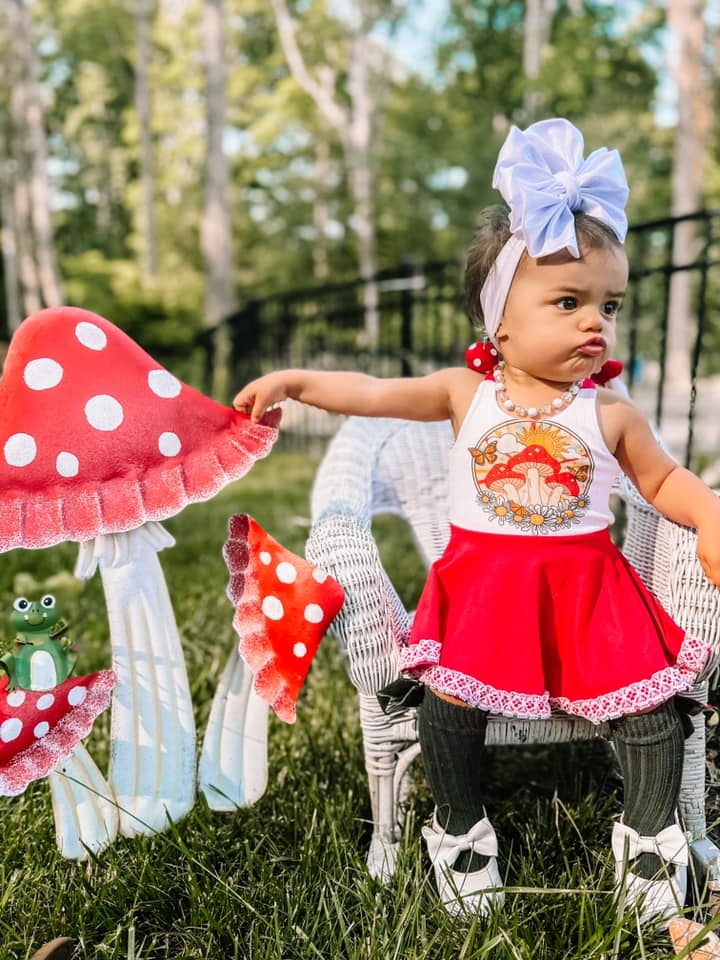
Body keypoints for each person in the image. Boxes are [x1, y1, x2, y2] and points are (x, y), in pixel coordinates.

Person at [234, 118, 720, 923]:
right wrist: (297, 380)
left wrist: (706, 515)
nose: (595, 323)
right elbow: (374, 392)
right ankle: (459, 829)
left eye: (609, 304)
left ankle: (651, 836)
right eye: (568, 302)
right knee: (448, 713)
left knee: (650, 712)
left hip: (590, 590)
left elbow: (665, 479)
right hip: (483, 590)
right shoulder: (467, 395)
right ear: (498, 321)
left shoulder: (613, 413)